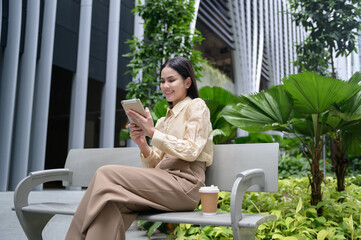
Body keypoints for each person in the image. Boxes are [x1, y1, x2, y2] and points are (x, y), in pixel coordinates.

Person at [65, 57, 213, 240]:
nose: (165, 86)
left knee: (105, 173)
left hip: (186, 186)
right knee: (110, 205)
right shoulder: (163, 121)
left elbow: (191, 151)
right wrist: (142, 143)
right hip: (164, 184)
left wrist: (152, 132)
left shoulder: (196, 106)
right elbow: (156, 166)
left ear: (187, 82)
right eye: (162, 81)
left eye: (171, 80)